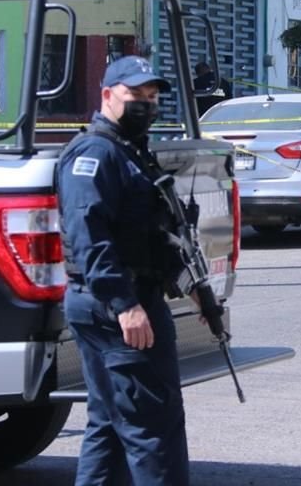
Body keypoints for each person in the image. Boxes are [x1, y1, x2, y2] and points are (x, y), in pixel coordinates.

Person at [57, 55, 190, 486]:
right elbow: (88, 237)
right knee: (153, 427)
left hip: (131, 296)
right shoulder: (95, 153)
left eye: (152, 98)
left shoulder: (131, 150)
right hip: (116, 304)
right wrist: (125, 304)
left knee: (111, 424)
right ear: (108, 94)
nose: (145, 105)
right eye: (136, 95)